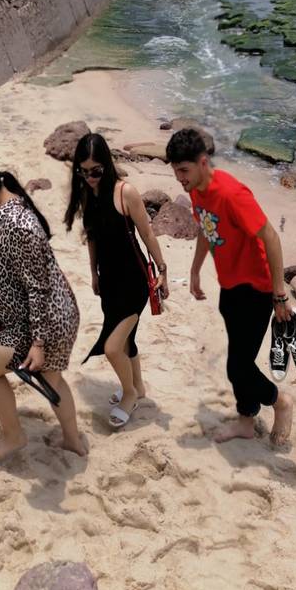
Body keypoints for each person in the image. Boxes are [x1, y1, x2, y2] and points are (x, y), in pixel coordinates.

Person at [166, 127, 296, 448]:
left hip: (256, 289)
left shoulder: (231, 194)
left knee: (237, 365)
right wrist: (196, 269)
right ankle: (245, 421)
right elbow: (206, 228)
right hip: (231, 286)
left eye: (183, 171)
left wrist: (280, 294)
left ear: (202, 162)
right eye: (175, 172)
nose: (179, 179)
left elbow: (271, 236)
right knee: (241, 360)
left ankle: (280, 401)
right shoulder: (198, 190)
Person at [0, 156, 87, 459]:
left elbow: (38, 288)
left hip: (44, 321)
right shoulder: (7, 211)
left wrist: (38, 343)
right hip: (52, 314)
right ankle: (73, 441)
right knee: (53, 380)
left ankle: (15, 437)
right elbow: (6, 255)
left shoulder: (19, 224)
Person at [64, 133, 169, 429]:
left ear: (107, 165)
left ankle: (130, 394)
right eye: (82, 172)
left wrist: (162, 270)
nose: (90, 177)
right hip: (109, 281)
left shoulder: (126, 193)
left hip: (133, 282)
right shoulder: (88, 193)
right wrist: (94, 273)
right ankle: (138, 386)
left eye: (95, 171)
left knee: (112, 347)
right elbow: (93, 238)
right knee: (127, 341)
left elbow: (147, 234)